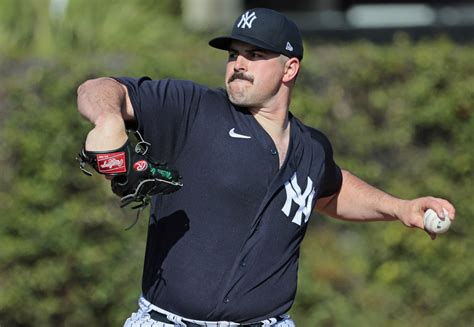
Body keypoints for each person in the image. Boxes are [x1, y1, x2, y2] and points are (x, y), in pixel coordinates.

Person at [76, 7, 456, 327]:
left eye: (255, 54)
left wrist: (401, 208)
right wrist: (109, 120)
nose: (238, 64)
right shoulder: (192, 109)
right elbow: (97, 89)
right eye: (233, 54)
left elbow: (331, 190)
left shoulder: (311, 148)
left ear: (289, 68)